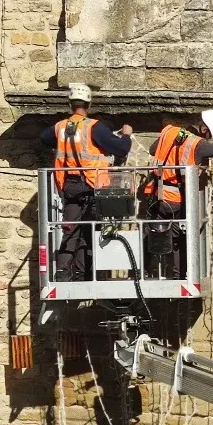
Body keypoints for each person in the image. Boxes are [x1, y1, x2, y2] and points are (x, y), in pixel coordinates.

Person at [39, 83, 133, 281]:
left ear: (70, 104)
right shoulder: (94, 126)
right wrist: (126, 134)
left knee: (71, 230)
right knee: (92, 230)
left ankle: (64, 273)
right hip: (92, 187)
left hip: (70, 187)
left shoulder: (60, 127)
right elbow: (121, 149)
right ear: (88, 104)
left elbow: (44, 138)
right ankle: (87, 274)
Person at [140, 109, 213, 277]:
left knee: (152, 233)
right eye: (209, 135)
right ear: (205, 129)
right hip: (175, 199)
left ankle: (145, 271)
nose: (207, 139)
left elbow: (154, 149)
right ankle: (176, 275)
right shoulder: (198, 144)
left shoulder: (170, 131)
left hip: (156, 193)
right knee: (178, 239)